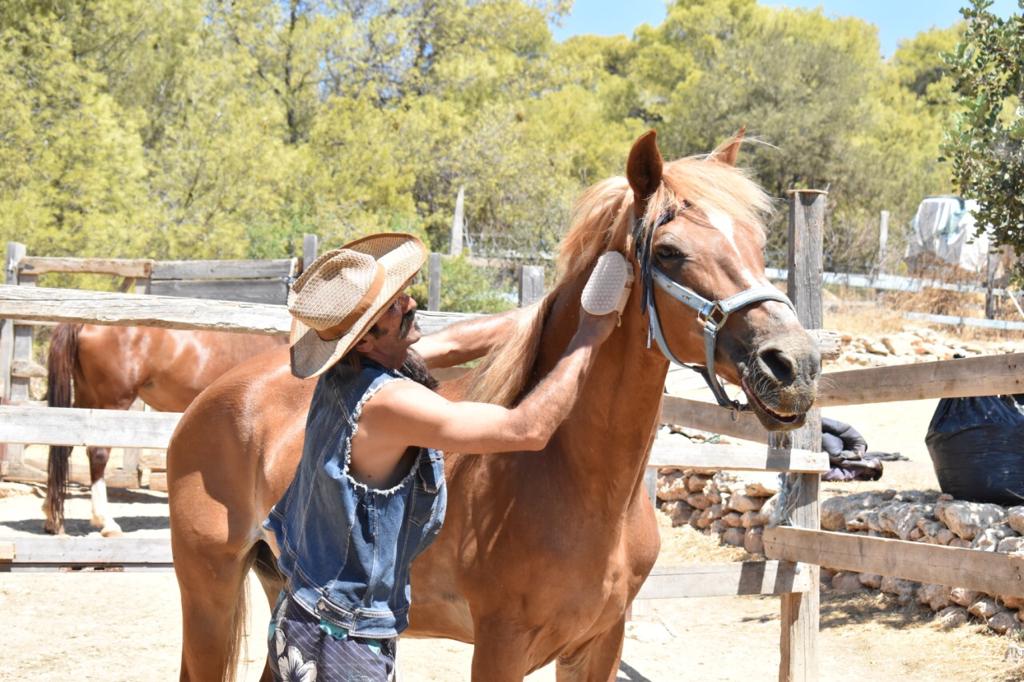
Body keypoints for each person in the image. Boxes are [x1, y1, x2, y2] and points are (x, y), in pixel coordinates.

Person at [263, 233, 625, 681]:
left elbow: (453, 346)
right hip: (344, 638)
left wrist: (561, 308)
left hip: (301, 608)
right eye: (394, 305)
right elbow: (526, 429)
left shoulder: (346, 372)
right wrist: (589, 335)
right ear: (366, 339)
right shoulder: (385, 402)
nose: (410, 303)